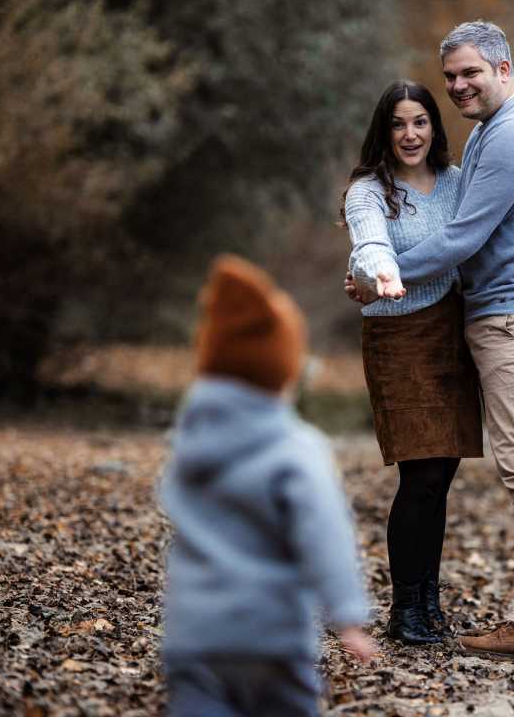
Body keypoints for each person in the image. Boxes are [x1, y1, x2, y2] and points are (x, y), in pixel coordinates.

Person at [348, 21, 514, 660]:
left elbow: (461, 239)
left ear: (505, 66)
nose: (458, 86)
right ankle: (501, 610)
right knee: (511, 468)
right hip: (489, 318)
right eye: (450, 76)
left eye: (470, 73)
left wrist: (382, 277)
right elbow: (373, 226)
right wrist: (374, 268)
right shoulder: (491, 132)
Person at [160, 254, 376, 717]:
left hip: (193, 633)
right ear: (282, 373)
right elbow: (324, 532)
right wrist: (347, 613)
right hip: (270, 635)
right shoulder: (296, 448)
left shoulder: (190, 439)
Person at [342, 80, 484, 646]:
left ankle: (429, 602)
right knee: (420, 474)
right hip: (398, 337)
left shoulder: (455, 184)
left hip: (452, 333)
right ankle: (406, 610)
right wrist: (382, 273)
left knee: (440, 474)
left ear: (434, 127)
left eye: (420, 122)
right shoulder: (368, 190)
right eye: (399, 124)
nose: (410, 134)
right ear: (385, 129)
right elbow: (370, 242)